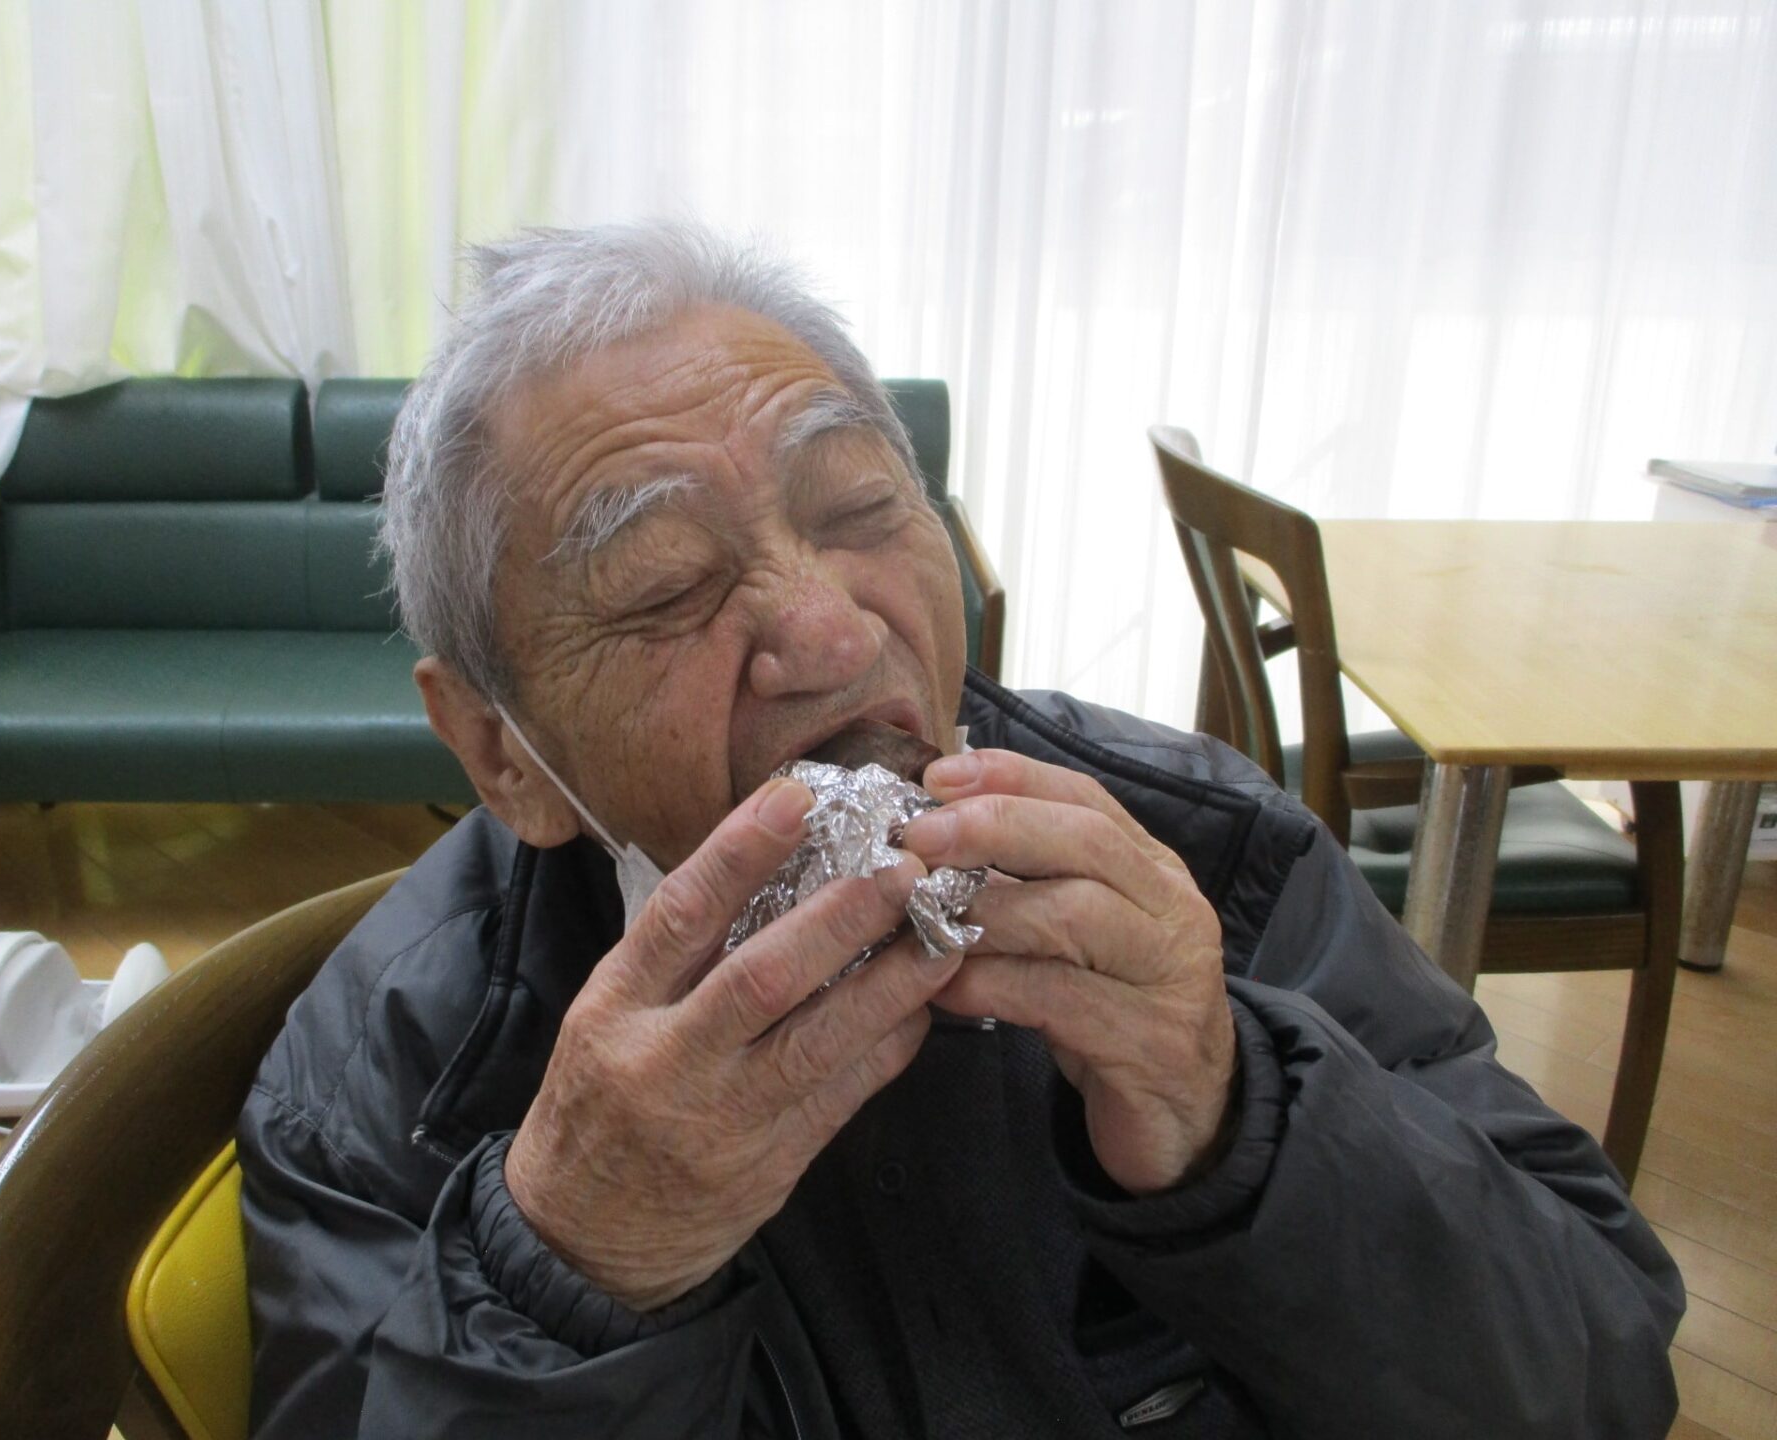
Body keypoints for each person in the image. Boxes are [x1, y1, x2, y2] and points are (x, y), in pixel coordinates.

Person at [238, 222, 1683, 1439]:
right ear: (504, 749)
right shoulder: (393, 1073)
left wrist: (1238, 1112)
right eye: (665, 585)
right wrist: (569, 1267)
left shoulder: (1207, 856)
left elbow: (1598, 1367)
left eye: (863, 508)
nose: (825, 628)